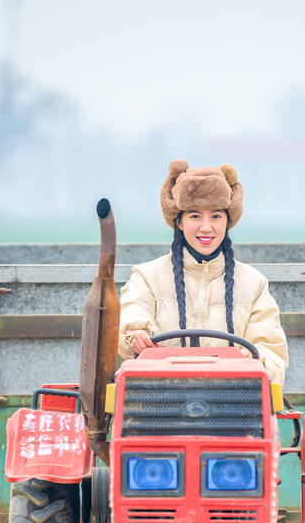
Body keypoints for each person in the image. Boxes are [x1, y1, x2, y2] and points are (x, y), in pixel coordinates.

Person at [118, 159, 289, 384]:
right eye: (195, 216)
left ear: (227, 221)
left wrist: (247, 366)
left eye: (216, 216)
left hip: (233, 400)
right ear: (179, 222)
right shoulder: (147, 277)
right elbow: (132, 314)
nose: (206, 227)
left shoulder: (254, 284)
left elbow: (271, 353)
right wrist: (135, 336)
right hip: (161, 399)